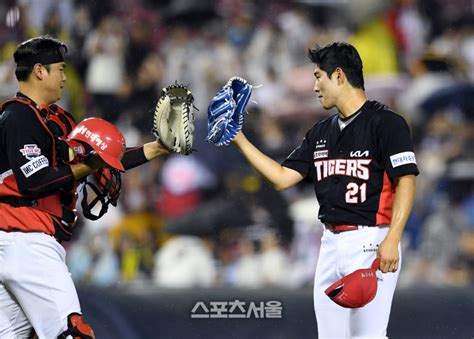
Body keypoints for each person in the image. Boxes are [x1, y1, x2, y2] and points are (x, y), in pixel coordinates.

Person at [230, 42, 419, 337]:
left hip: (371, 239)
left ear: (339, 76)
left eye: (319, 76)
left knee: (368, 336)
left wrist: (393, 238)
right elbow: (281, 177)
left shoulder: (386, 123)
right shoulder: (320, 132)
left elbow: (406, 180)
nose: (315, 86)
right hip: (329, 242)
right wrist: (239, 138)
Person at [0, 36, 169, 338]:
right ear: (40, 71)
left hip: (18, 244)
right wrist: (89, 164)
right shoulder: (18, 116)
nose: (65, 77)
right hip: (28, 241)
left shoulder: (55, 120)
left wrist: (155, 149)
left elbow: (104, 157)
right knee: (73, 333)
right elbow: (34, 182)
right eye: (60, 69)